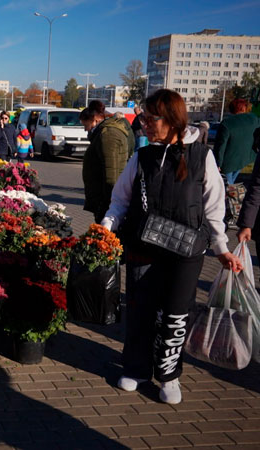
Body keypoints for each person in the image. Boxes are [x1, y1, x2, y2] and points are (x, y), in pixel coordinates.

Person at [101, 89, 241, 405]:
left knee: (175, 315)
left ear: (173, 119)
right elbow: (120, 200)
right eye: (144, 118)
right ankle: (136, 368)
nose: (145, 124)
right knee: (140, 311)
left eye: (152, 118)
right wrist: (105, 230)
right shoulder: (142, 156)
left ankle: (168, 374)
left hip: (186, 252)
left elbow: (214, 207)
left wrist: (222, 248)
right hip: (144, 247)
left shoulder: (202, 156)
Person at [81, 100, 134, 223]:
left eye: (85, 125)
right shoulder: (104, 132)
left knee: (106, 237)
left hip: (106, 202)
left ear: (95, 119)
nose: (85, 129)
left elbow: (112, 172)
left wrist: (108, 206)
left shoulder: (108, 135)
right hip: (104, 199)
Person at [214, 98, 260, 185]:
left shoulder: (226, 123)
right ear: (245, 108)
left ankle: (231, 197)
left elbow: (221, 145)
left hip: (228, 161)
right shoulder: (254, 119)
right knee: (230, 183)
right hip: (245, 158)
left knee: (227, 185)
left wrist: (218, 162)